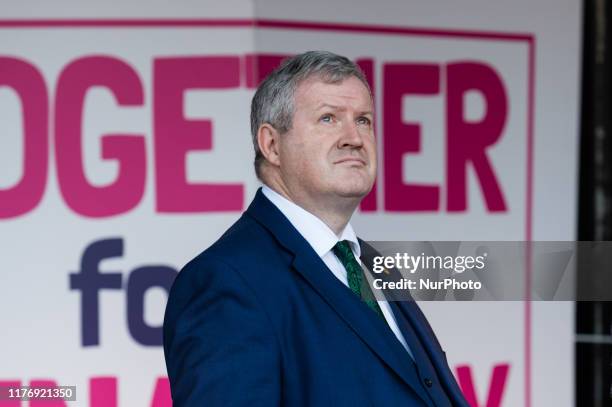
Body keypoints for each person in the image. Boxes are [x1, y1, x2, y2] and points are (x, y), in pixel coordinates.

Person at [163, 50, 469, 406]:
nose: (354, 137)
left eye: (364, 120)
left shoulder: (371, 265)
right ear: (272, 145)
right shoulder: (225, 282)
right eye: (328, 119)